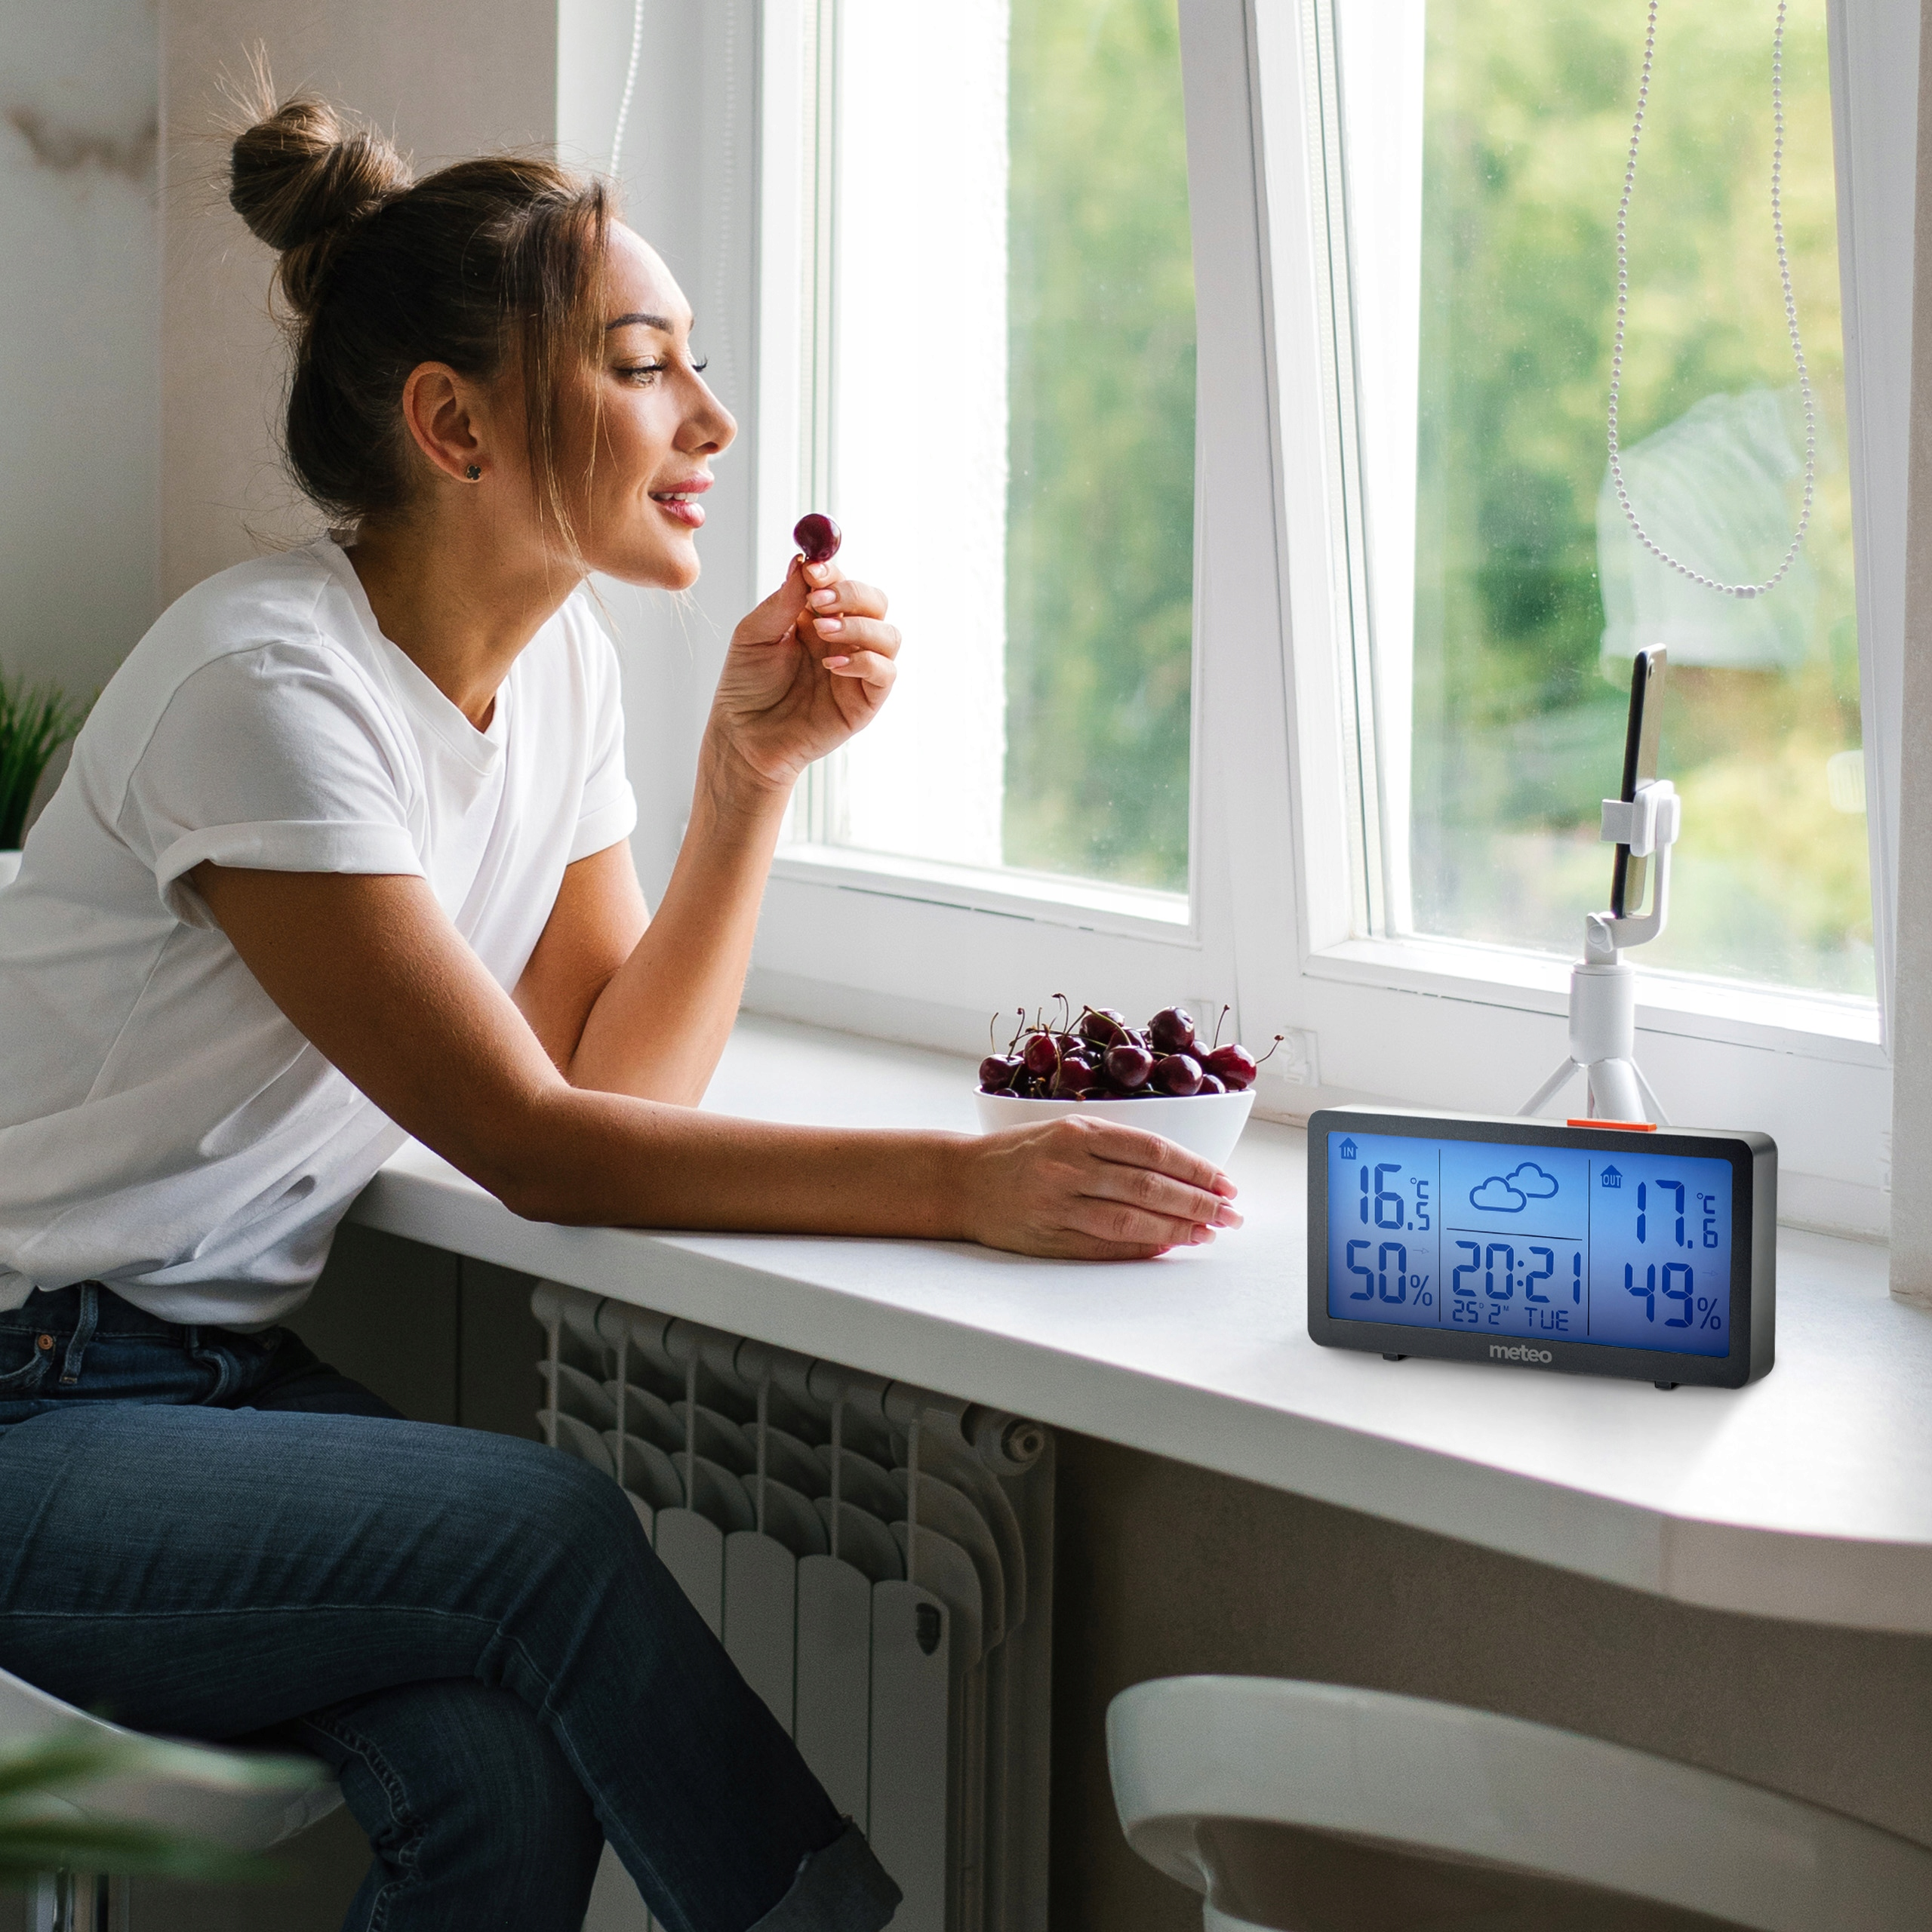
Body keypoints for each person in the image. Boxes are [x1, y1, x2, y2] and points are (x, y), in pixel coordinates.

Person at [0, 91, 1242, 1932]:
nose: (711, 424)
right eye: (647, 369)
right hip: (35, 1398)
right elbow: (537, 1146)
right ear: (455, 424)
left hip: (201, 1383)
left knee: (495, 1782)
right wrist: (956, 1184)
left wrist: (743, 779)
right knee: (551, 1531)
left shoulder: (557, 665)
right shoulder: (267, 689)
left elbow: (611, 1080)